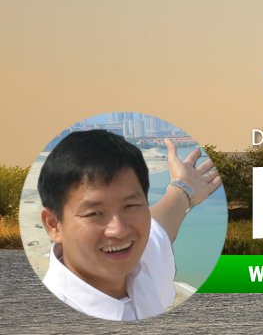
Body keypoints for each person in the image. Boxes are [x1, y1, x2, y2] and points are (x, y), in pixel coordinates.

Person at [38, 130, 221, 321]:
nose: (119, 230)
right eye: (95, 213)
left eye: (130, 205)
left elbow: (162, 223)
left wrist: (184, 187)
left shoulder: (139, 262)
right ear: (54, 225)